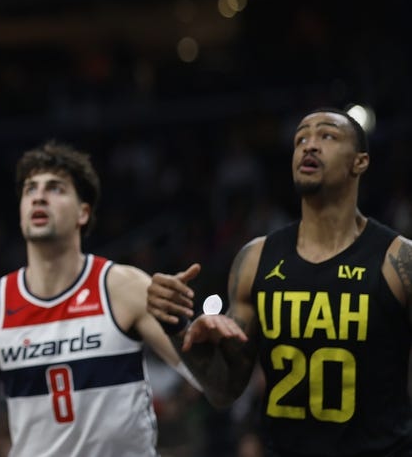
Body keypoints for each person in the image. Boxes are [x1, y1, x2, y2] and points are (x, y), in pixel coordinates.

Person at [0, 141, 198, 456]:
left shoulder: (123, 287)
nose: (39, 196)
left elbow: (202, 376)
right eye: (30, 189)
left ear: (83, 212)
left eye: (55, 188)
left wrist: (197, 333)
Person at [147, 107, 412, 456]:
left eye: (327, 136)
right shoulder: (255, 259)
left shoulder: (398, 260)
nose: (309, 145)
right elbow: (224, 390)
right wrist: (177, 326)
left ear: (360, 162)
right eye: (301, 138)